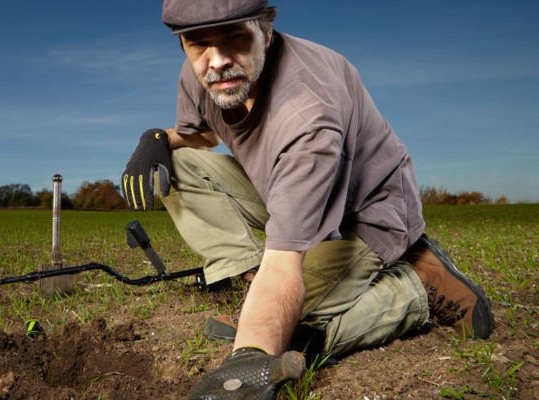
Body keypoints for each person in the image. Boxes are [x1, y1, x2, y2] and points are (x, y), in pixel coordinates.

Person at [121, 0, 495, 398]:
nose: (217, 61)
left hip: (367, 213)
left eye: (235, 38)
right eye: (198, 44)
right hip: (286, 191)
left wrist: (250, 359)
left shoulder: (308, 116)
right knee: (180, 166)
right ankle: (256, 284)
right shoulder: (205, 69)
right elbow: (205, 134)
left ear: (265, 32)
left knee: (292, 333)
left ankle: (412, 289)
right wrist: (157, 138)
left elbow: (283, 266)